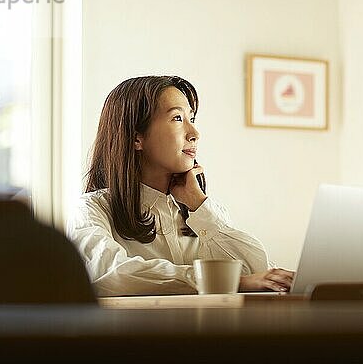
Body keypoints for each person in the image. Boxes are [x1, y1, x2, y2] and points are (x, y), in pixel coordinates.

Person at [66, 76, 294, 296]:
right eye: (177, 118)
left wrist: (199, 205)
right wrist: (225, 281)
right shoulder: (91, 210)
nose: (194, 134)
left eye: (191, 120)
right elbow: (112, 274)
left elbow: (259, 272)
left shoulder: (202, 213)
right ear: (137, 138)